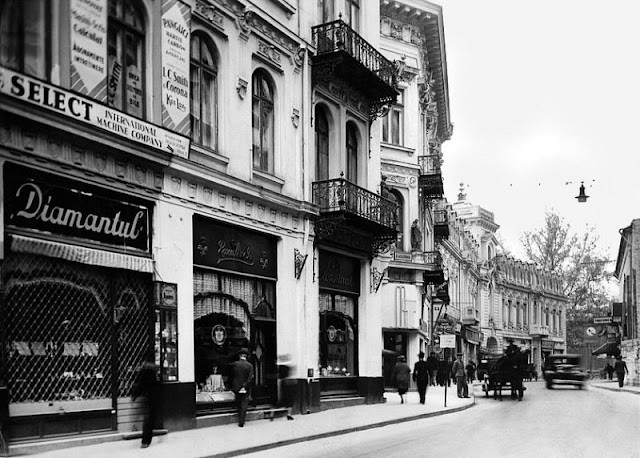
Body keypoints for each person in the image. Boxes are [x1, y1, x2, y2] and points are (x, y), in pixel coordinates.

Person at [132, 358, 159, 448]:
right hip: (153, 398)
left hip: (147, 398)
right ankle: (146, 440)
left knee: (148, 420)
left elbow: (140, 385)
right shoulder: (154, 373)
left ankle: (145, 441)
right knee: (149, 420)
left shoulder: (145, 372)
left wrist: (134, 396)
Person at [229, 348, 254, 427]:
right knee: (244, 404)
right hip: (245, 388)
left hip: (236, 387)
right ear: (246, 356)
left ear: (240, 356)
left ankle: (240, 418)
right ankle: (241, 422)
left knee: (238, 403)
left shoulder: (234, 364)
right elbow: (251, 378)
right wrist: (244, 385)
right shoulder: (250, 365)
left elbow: (231, 376)